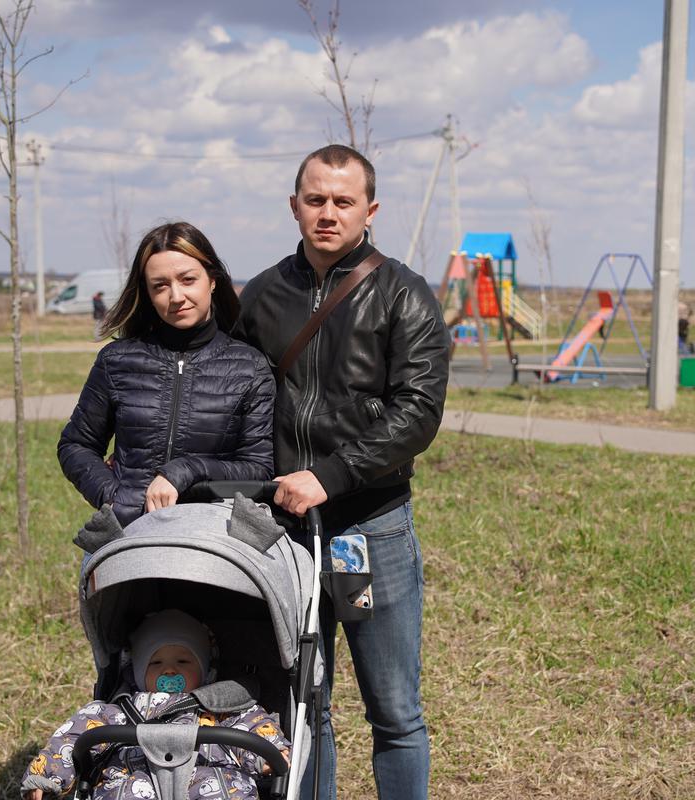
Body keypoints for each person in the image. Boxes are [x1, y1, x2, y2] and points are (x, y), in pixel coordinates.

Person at [234, 145, 450, 800]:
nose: (328, 213)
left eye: (343, 201)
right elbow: (236, 394)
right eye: (316, 199)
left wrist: (331, 473)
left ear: (370, 209)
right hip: (283, 533)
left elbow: (418, 412)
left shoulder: (404, 294)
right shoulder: (264, 295)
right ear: (295, 205)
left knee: (394, 710)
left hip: (369, 529)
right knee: (305, 705)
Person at [59, 221, 274, 529]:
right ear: (147, 293)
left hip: (216, 536)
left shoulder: (249, 367)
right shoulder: (117, 360)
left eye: (188, 280)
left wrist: (186, 470)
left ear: (212, 280)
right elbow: (76, 445)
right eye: (160, 285)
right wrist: (115, 498)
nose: (176, 296)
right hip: (128, 532)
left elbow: (258, 468)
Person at [20, 609, 291, 800]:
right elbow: (72, 737)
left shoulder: (224, 705)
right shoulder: (114, 710)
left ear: (206, 671)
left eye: (183, 662)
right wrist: (47, 775)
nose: (170, 671)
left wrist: (270, 754)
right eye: (156, 662)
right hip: (134, 779)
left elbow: (255, 727)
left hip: (210, 775)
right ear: (137, 670)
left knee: (226, 788)